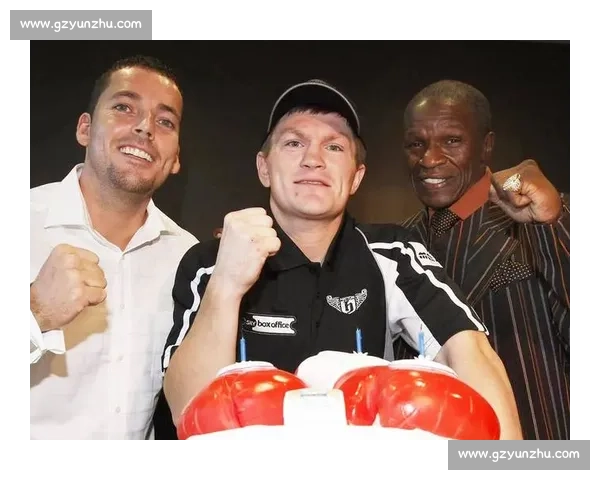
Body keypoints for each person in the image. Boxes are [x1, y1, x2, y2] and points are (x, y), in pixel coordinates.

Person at [161, 79, 524, 440]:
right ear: (264, 168)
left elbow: (467, 350)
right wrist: (226, 284)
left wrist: (508, 462)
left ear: (355, 177)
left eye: (334, 147)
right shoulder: (210, 260)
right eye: (294, 143)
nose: (313, 160)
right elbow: (185, 408)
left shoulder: (393, 252)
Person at [25, 55, 198, 439]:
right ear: (84, 129)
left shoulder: (188, 258)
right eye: (124, 107)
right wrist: (34, 315)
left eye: (165, 121)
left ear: (175, 159)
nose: (145, 127)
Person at [396, 79, 571, 440]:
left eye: (451, 140)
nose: (429, 159)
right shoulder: (398, 242)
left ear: (486, 146)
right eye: (416, 144)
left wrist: (557, 222)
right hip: (432, 450)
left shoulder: (545, 218)